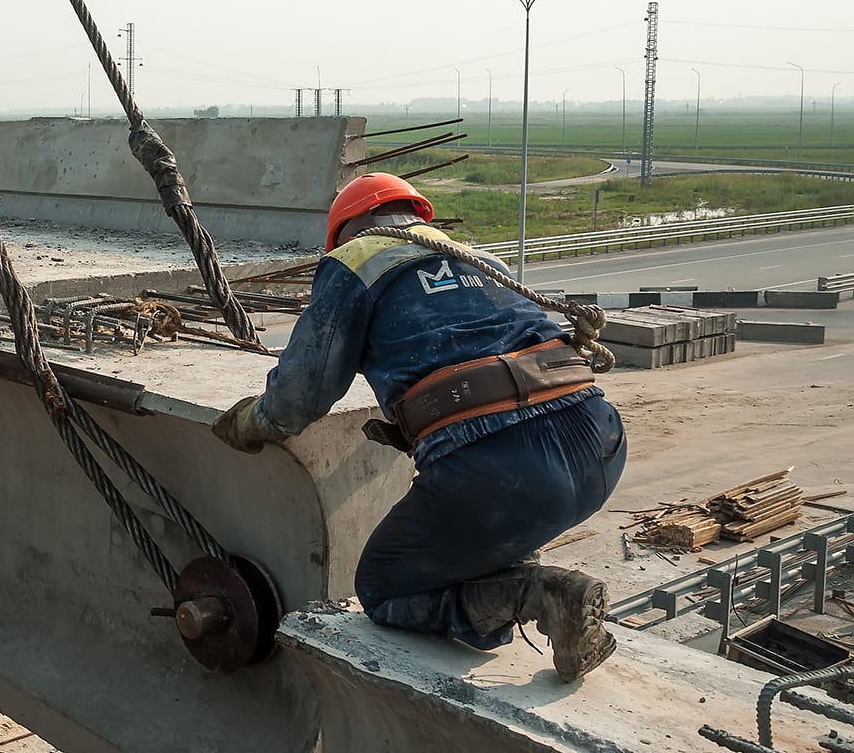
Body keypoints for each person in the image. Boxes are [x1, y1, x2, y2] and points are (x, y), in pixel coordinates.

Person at [210, 172, 626, 682]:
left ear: (347, 229)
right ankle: (527, 584)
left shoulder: (353, 261)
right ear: (417, 215)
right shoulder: (481, 259)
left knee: (385, 589)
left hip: (499, 466)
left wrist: (256, 421)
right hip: (601, 443)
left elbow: (304, 391)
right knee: (485, 527)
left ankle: (534, 594)